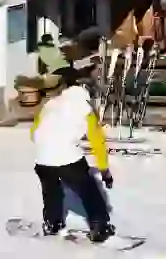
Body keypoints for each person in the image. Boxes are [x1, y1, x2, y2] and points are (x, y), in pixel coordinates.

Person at [29, 66, 115, 242]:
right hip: (67, 157)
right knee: (89, 190)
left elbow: (33, 133)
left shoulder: (50, 105)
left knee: (51, 191)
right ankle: (99, 225)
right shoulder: (84, 106)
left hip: (42, 159)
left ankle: (52, 222)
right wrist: (104, 169)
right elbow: (96, 139)